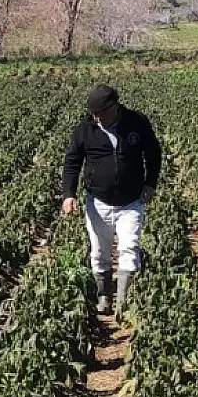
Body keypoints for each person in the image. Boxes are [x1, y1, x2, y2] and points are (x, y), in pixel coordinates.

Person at [60, 85, 162, 318]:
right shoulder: (85, 130)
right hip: (98, 202)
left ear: (115, 106)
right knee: (99, 251)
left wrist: (151, 183)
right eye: (93, 114)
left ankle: (123, 302)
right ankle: (104, 296)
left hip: (130, 201)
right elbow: (72, 162)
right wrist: (69, 194)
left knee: (129, 247)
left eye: (101, 113)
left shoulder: (136, 122)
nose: (97, 118)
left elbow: (153, 153)